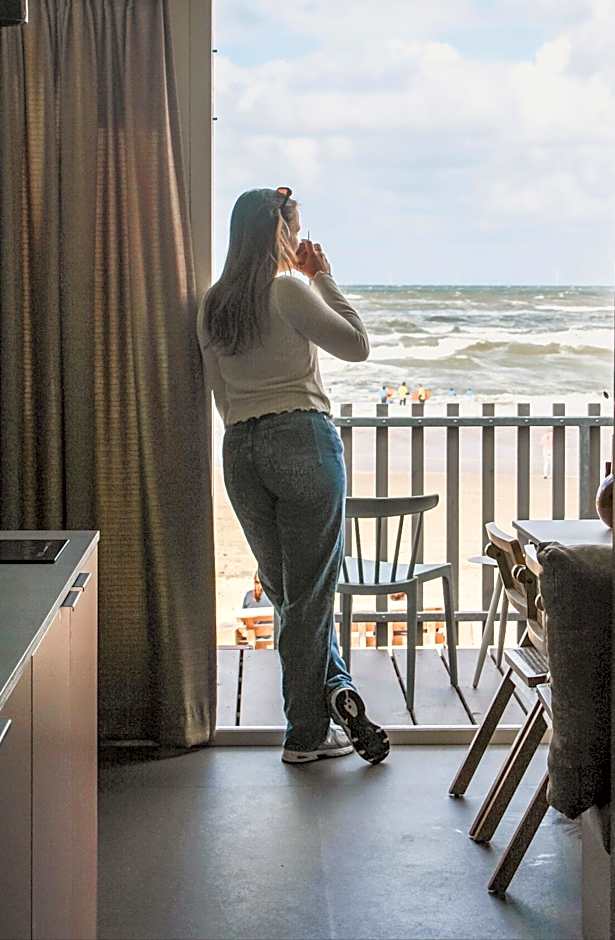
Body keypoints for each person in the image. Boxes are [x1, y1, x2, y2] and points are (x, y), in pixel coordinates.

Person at [198, 187, 389, 766]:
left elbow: (221, 395)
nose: (301, 239)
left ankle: (334, 690)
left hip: (241, 449)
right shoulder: (287, 289)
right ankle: (305, 734)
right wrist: (323, 277)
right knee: (309, 594)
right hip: (301, 438)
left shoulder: (214, 304)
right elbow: (356, 345)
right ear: (280, 232)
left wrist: (248, 436)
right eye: (297, 229)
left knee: (287, 594)